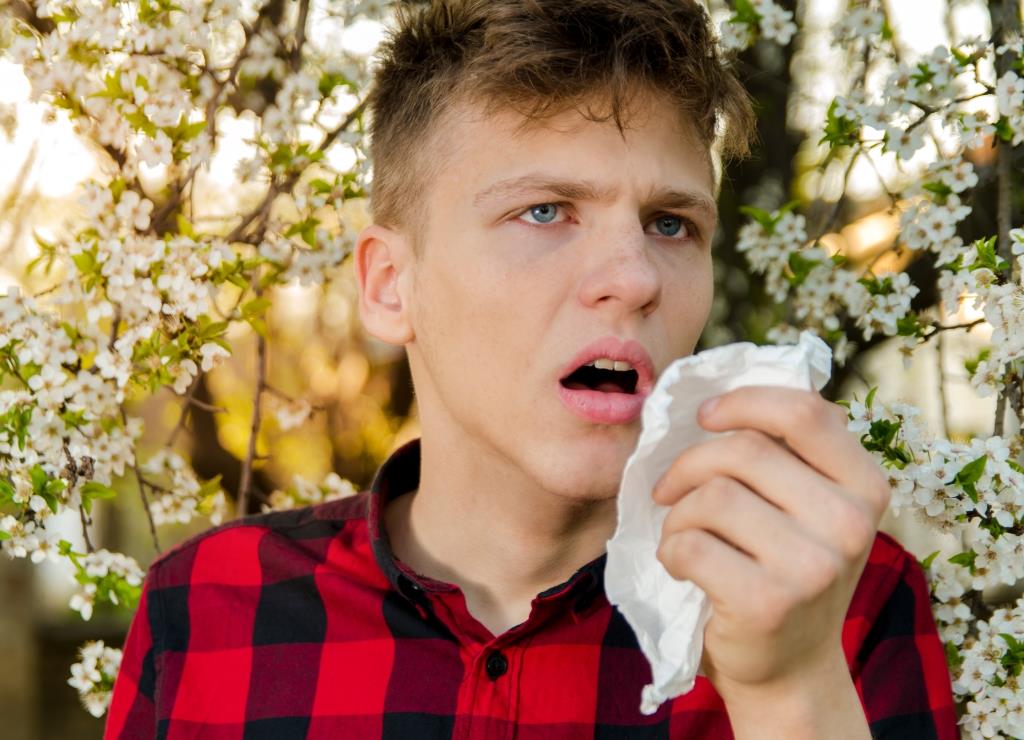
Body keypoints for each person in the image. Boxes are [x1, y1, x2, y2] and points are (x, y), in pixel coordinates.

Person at [105, 1, 958, 737]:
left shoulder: (845, 601)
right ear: (391, 286)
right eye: (544, 212)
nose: (634, 278)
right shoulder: (207, 610)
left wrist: (790, 689)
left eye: (670, 224)